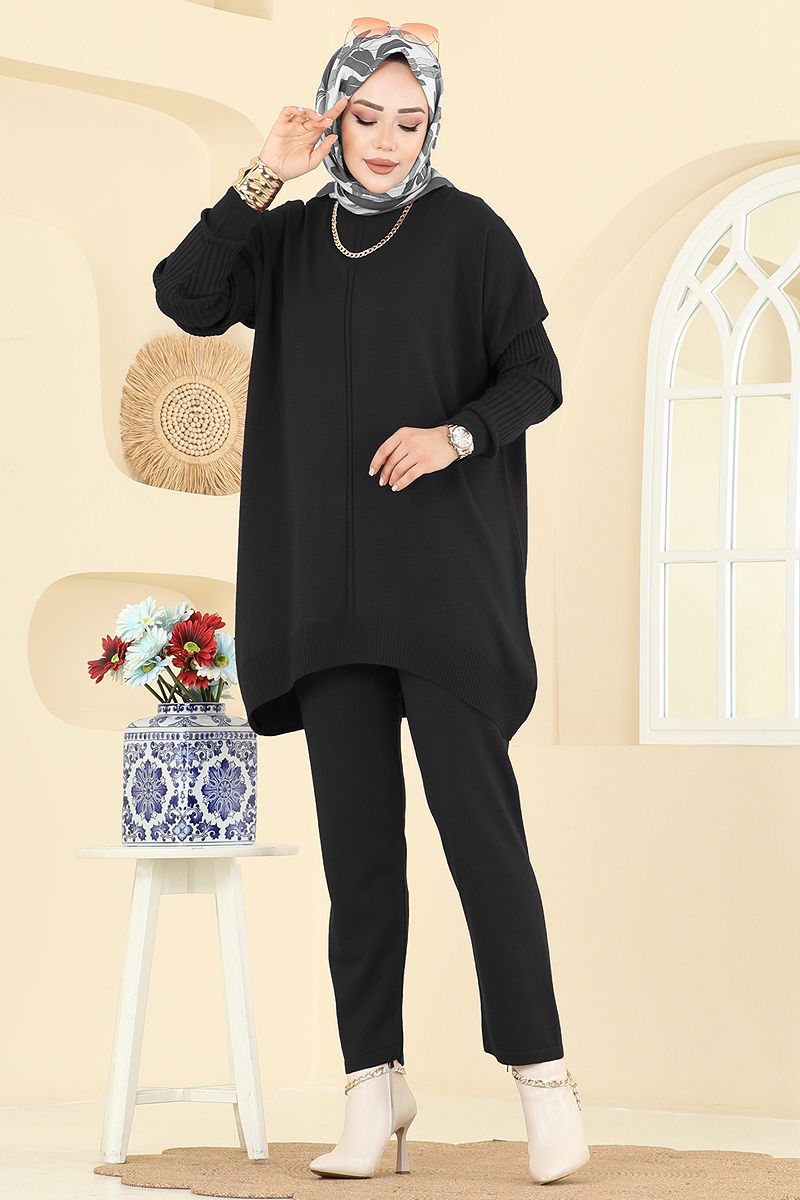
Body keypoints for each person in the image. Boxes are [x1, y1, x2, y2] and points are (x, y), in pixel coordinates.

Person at [152, 20, 589, 1187]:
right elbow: (186, 296)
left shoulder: (468, 231)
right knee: (358, 859)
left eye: (409, 118)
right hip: (327, 593)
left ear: (430, 122)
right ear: (332, 115)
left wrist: (456, 436)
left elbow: (536, 374)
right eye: (365, 116)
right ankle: (371, 1087)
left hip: (441, 588)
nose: (388, 139)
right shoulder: (291, 239)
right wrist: (263, 172)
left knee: (480, 839)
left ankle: (543, 1081)